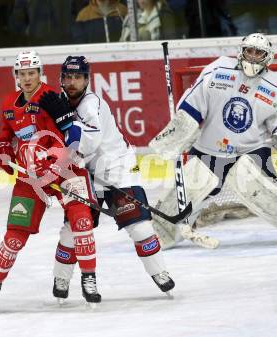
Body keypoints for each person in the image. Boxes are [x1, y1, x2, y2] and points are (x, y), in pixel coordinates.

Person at [149, 33, 277, 248]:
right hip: (209, 148)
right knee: (191, 184)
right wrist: (181, 128)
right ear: (241, 52)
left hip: (251, 150)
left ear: (267, 57)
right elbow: (193, 103)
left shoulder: (276, 85)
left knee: (260, 187)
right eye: (248, 51)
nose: (252, 57)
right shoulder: (218, 70)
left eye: (258, 52)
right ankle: (161, 231)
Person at [38, 55, 175, 303]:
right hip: (85, 174)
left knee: (140, 227)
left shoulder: (92, 104)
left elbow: (89, 142)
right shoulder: (59, 104)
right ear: (60, 79)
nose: (71, 82)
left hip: (117, 169)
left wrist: (65, 121)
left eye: (77, 77)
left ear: (87, 80)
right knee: (72, 230)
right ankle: (61, 278)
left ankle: (160, 272)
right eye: (67, 77)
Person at [0, 50, 101, 309]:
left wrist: (58, 156)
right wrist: (1, 150)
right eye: (21, 74)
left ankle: (89, 279)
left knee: (81, 220)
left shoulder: (51, 98)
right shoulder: (8, 104)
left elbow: (71, 133)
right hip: (30, 177)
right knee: (15, 235)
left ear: (40, 73)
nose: (26, 78)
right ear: (16, 76)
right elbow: (5, 135)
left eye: (31, 73)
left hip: (64, 169)